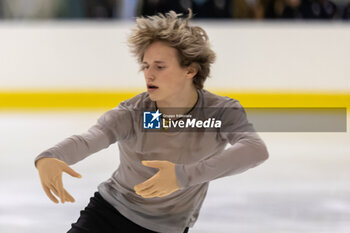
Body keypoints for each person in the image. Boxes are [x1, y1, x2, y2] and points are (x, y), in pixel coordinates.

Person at [34, 9, 269, 233]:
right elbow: (91, 138)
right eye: (145, 66)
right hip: (108, 214)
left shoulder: (220, 113)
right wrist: (51, 156)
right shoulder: (134, 113)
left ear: (190, 71)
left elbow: (255, 150)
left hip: (169, 227)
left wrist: (183, 176)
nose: (149, 74)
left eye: (160, 66)